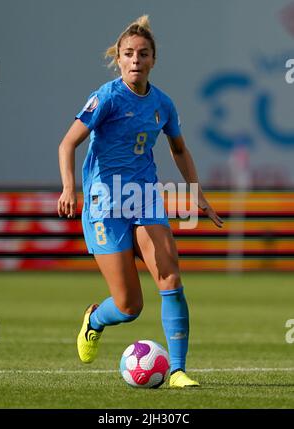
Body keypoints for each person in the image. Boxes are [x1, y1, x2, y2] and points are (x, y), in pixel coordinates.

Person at [57, 15, 223, 388]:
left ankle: (178, 370)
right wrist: (70, 188)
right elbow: (67, 143)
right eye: (128, 53)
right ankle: (95, 319)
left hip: (144, 197)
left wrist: (197, 194)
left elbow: (179, 149)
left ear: (153, 60)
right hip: (104, 203)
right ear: (118, 58)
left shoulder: (163, 104)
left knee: (170, 277)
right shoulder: (106, 97)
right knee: (130, 306)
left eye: (143, 54)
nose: (135, 60)